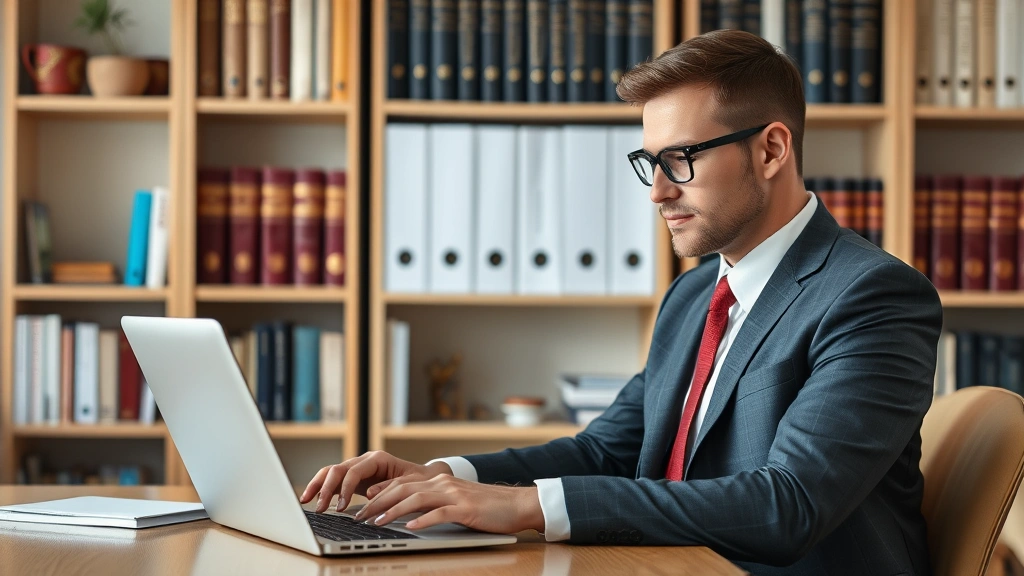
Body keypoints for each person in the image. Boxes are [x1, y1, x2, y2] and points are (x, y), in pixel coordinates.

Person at [300, 30, 942, 575]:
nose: (658, 192)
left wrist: (522, 507)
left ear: (771, 149)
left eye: (682, 159)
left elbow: (788, 504)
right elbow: (604, 451)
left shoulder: (873, 297)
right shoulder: (694, 296)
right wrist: (444, 475)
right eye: (650, 162)